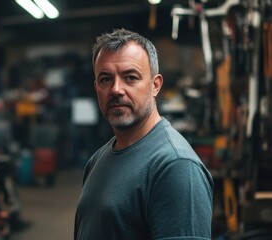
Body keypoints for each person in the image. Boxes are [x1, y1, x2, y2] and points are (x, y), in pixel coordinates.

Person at [74, 28, 213, 240]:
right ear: (96, 87)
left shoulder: (176, 166)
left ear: (155, 86)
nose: (116, 89)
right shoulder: (98, 159)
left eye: (130, 77)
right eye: (105, 79)